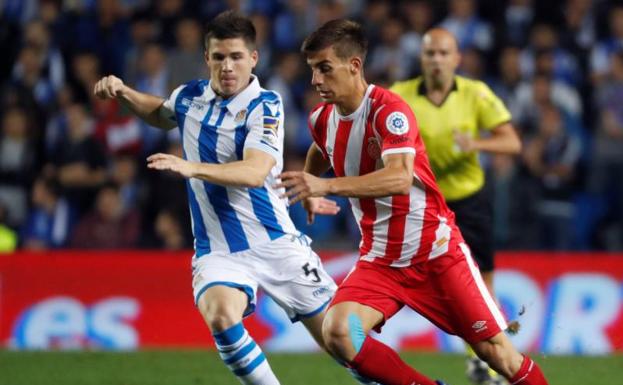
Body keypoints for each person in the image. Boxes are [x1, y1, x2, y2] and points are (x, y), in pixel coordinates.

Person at [278, 19, 549, 385]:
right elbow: (320, 151)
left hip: (435, 253)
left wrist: (326, 187)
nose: (316, 80)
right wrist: (310, 190)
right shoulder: (321, 119)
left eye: (325, 68)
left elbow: (400, 178)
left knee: (496, 353)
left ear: (354, 66)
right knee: (338, 332)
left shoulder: (389, 110)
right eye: (313, 70)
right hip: (381, 260)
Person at [93, 11, 350, 385]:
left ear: (253, 59)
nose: (227, 67)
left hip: (275, 242)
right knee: (220, 315)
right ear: (207, 58)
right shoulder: (190, 96)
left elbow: (254, 171)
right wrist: (124, 92)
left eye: (235, 57)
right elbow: (163, 114)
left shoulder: (266, 105)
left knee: (342, 343)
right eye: (218, 57)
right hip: (218, 250)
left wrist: (191, 167)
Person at [390, 28, 522, 385]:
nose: (436, 60)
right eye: (430, 53)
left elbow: (511, 142)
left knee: (481, 285)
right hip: (424, 204)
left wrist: (476, 143)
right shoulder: (399, 96)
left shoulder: (476, 94)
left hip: (470, 201)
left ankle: (486, 364)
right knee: (427, 284)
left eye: (443, 53)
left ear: (457, 58)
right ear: (422, 58)